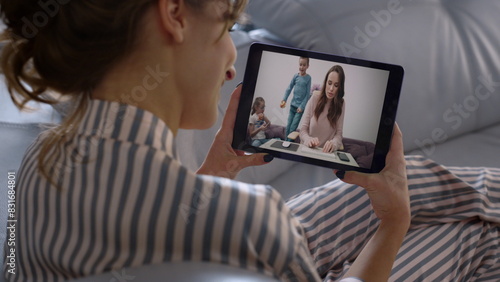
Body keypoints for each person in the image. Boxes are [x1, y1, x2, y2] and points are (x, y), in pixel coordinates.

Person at [1, 1, 499, 282]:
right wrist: (393, 224)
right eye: (225, 27)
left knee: (391, 179)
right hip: (261, 248)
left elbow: (158, 230)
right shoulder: (254, 216)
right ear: (174, 13)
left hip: (239, 240)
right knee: (469, 234)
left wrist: (215, 174)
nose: (231, 60)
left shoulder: (35, 168)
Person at [300, 65, 345, 153]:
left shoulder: (341, 104)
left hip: (325, 154)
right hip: (307, 150)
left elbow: (339, 134)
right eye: (329, 83)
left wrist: (334, 144)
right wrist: (308, 140)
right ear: (325, 83)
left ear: (340, 88)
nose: (331, 89)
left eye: (336, 85)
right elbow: (303, 130)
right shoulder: (315, 98)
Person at [280, 57, 312, 140]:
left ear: (307, 66)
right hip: (292, 106)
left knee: (292, 128)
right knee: (288, 126)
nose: (301, 67)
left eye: (304, 65)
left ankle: (288, 143)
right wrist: (284, 99)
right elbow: (289, 88)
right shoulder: (295, 76)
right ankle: (284, 143)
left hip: (299, 109)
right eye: (300, 64)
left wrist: (302, 106)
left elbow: (307, 94)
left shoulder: (308, 78)